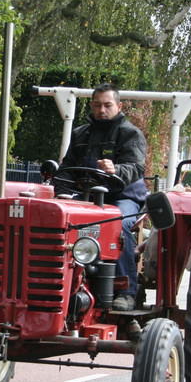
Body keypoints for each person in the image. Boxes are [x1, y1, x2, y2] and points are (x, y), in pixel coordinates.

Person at [56, 83, 147, 311]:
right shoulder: (80, 135)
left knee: (118, 224)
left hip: (122, 196)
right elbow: (66, 168)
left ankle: (127, 292)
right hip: (86, 197)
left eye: (107, 105)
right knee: (59, 222)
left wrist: (116, 170)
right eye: (97, 105)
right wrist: (62, 194)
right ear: (91, 105)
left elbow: (136, 168)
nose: (101, 110)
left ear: (119, 106)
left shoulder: (131, 134)